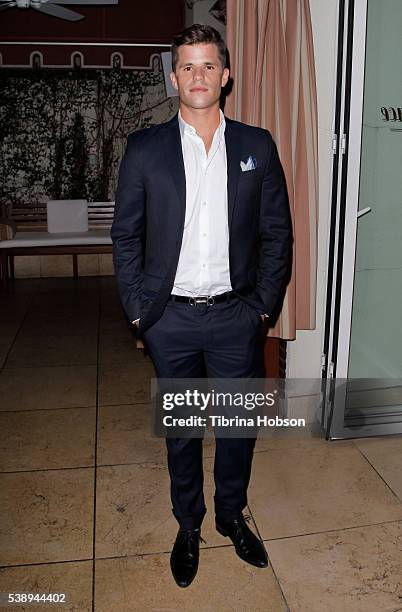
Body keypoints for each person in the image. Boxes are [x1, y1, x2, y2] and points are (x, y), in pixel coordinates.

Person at [111, 23, 292, 588]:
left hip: (237, 316)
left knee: (237, 429)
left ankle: (231, 516)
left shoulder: (257, 146)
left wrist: (262, 307)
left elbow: (276, 235)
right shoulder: (144, 150)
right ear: (173, 78)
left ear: (226, 74)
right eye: (187, 66)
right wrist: (143, 313)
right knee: (184, 431)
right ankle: (187, 524)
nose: (198, 76)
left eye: (208, 65)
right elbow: (126, 237)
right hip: (173, 319)